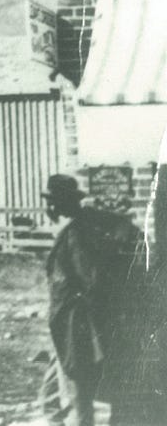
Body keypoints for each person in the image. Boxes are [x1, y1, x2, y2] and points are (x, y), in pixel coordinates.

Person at [40, 173, 164, 426]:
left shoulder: (76, 233)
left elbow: (91, 278)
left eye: (52, 201)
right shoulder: (79, 227)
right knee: (55, 394)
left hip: (78, 327)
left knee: (78, 396)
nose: (49, 207)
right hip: (69, 326)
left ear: (57, 204)